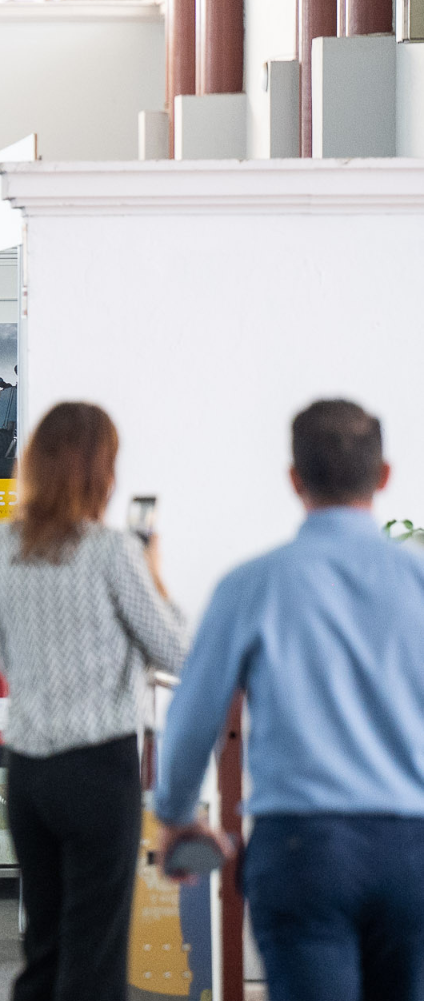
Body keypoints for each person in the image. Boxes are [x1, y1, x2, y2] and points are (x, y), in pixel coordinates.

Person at [155, 399, 424, 1001]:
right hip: (413, 851)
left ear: (294, 479)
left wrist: (176, 818)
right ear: (383, 476)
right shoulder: (418, 581)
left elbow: (193, 716)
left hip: (303, 852)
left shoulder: (253, 585)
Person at [0, 402, 186, 1001]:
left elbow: (9, 652)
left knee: (43, 947)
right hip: (98, 768)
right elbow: (177, 653)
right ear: (101, 471)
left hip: (29, 770)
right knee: (95, 952)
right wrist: (156, 575)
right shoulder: (111, 550)